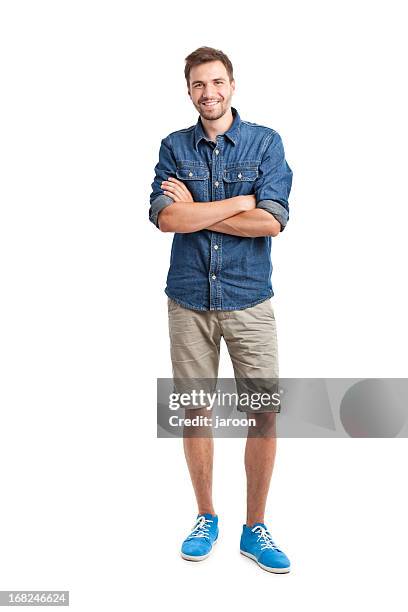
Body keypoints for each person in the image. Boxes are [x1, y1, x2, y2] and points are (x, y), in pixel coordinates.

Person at [149, 46, 293, 574]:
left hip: (249, 300)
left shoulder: (266, 143)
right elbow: (166, 219)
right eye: (197, 86)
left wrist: (197, 211)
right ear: (188, 91)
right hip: (188, 300)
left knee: (264, 415)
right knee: (195, 411)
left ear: (232, 84)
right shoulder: (173, 146)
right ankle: (205, 516)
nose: (208, 94)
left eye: (216, 83)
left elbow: (272, 222)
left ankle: (255, 527)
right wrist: (238, 203)